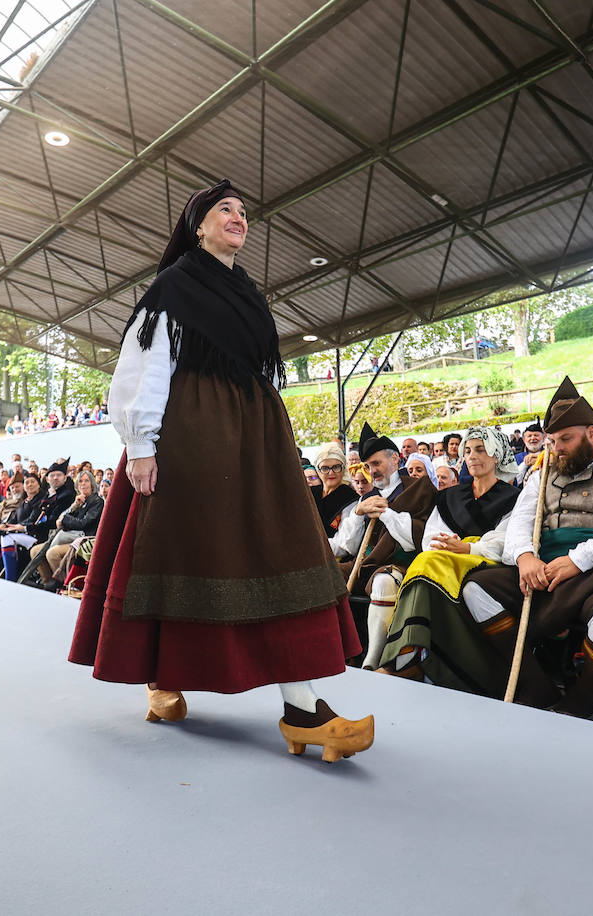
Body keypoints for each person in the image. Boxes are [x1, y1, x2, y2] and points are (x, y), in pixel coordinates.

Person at [69, 180, 371, 763]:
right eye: (223, 210)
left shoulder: (247, 293)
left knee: (273, 554)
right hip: (193, 441)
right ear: (198, 226)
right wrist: (142, 447)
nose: (238, 217)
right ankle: (167, 681)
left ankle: (302, 707)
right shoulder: (175, 286)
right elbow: (146, 367)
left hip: (255, 444)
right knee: (185, 555)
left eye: (242, 212)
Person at [461, 378, 593, 717]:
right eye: (552, 440)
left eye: (566, 439)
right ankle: (539, 687)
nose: (557, 448)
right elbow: (520, 521)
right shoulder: (542, 475)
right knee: (476, 589)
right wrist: (524, 556)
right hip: (546, 567)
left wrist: (578, 559)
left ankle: (581, 700)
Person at [374, 426, 520, 687]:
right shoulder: (450, 496)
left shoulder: (513, 498)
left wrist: (468, 548)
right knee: (426, 560)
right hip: (445, 560)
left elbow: (507, 540)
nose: (472, 456)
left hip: (486, 564)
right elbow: (431, 535)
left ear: (496, 456)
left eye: (480, 450)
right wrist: (446, 546)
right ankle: (410, 655)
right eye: (468, 450)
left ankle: (404, 657)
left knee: (427, 564)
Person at [328, 423, 437, 671]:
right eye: (367, 466)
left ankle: (373, 660)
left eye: (376, 463)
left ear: (395, 459)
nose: (372, 471)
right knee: (321, 575)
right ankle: (339, 651)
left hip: (401, 563)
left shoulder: (418, 488)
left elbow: (415, 539)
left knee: (384, 581)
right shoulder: (365, 497)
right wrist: (358, 512)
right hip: (362, 564)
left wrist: (385, 511)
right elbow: (346, 545)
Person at [309, 442, 355, 536]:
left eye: (336, 467)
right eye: (325, 468)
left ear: (343, 468)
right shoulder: (310, 493)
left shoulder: (351, 498)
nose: (331, 473)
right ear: (318, 470)